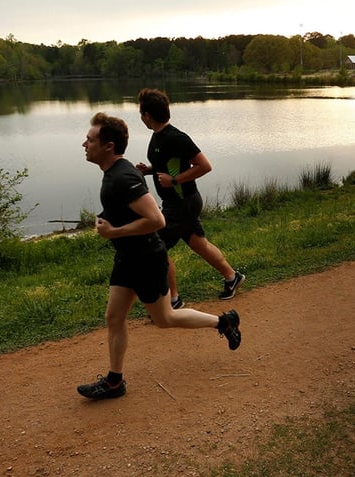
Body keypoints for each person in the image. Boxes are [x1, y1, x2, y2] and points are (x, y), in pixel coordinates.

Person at [78, 112, 242, 400]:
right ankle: (115, 382)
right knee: (113, 317)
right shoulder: (114, 173)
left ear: (109, 146)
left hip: (146, 259)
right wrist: (109, 220)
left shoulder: (124, 176)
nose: (84, 144)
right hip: (128, 258)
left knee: (165, 318)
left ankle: (223, 322)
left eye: (90, 140)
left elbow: (157, 220)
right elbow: (130, 212)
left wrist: (113, 232)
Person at [135, 88, 245, 309]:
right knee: (200, 244)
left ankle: (173, 300)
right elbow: (170, 164)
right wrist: (149, 170)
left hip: (182, 204)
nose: (141, 117)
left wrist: (174, 181)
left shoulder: (177, 138)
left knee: (157, 246)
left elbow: (204, 166)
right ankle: (232, 277)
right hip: (180, 203)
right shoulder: (158, 137)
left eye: (141, 113)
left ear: (147, 115)